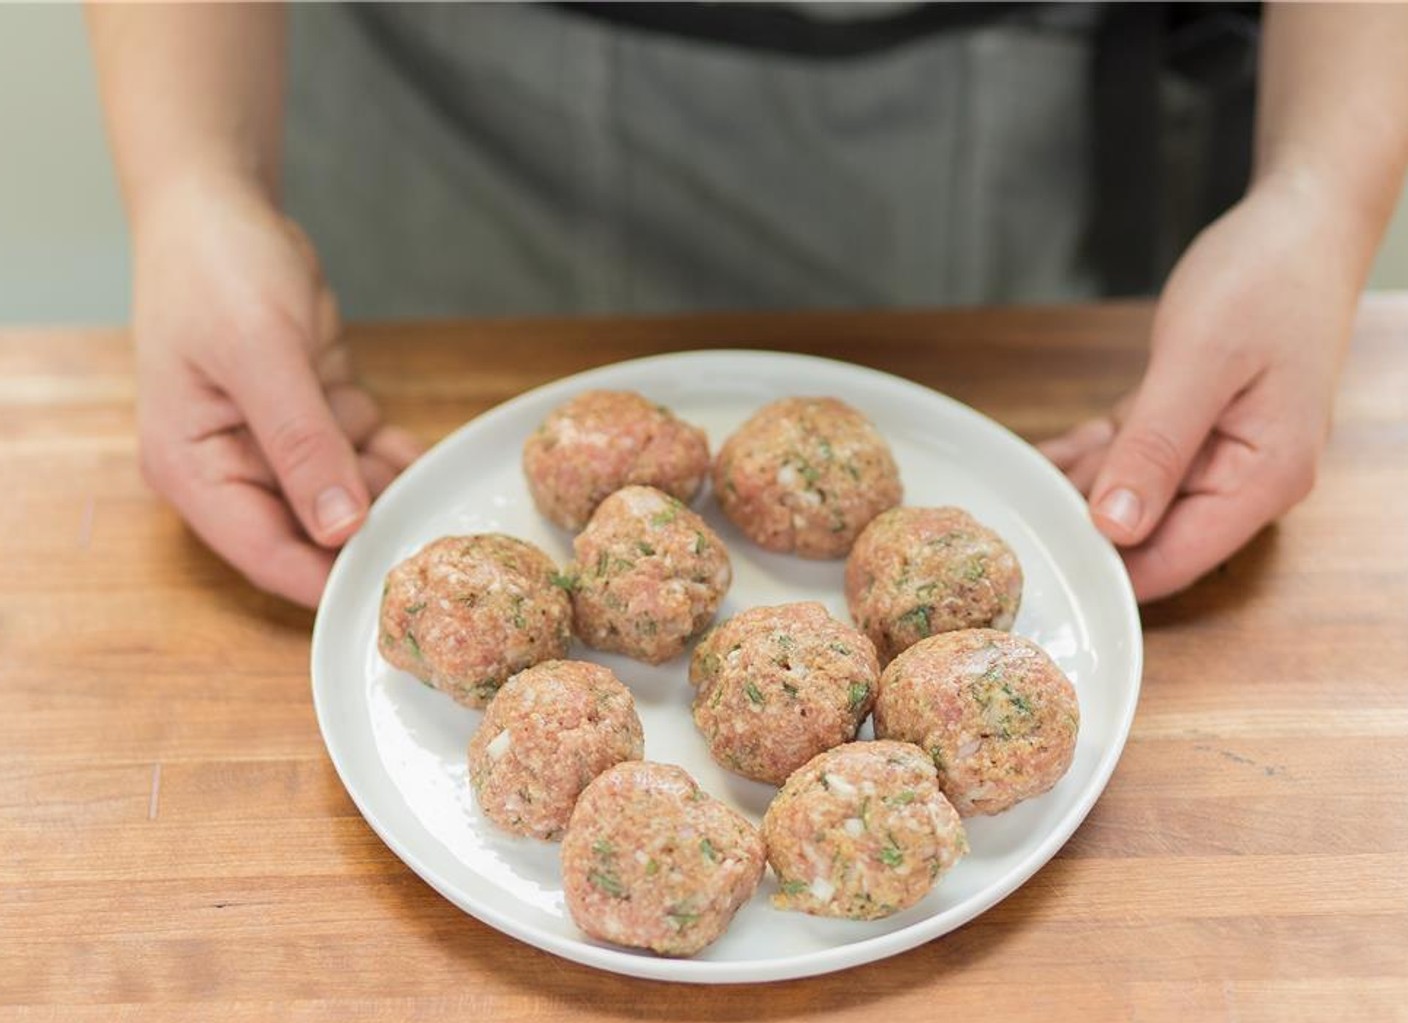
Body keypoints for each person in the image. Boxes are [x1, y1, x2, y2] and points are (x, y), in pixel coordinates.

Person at [86, 3, 1408, 609]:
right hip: (457, 111)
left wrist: (1318, 197)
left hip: (997, 122)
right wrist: (190, 182)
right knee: (429, 458)